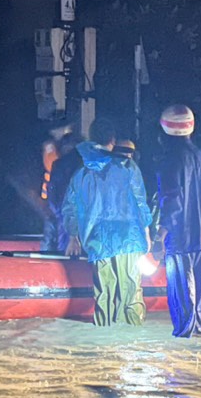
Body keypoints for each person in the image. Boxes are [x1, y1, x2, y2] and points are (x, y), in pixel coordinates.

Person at [63, 118, 153, 326]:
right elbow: (141, 203)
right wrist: (147, 233)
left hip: (98, 240)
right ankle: (132, 340)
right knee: (131, 293)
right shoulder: (128, 168)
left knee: (103, 295)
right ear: (113, 140)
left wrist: (73, 236)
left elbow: (70, 207)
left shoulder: (81, 174)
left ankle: (105, 346)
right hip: (128, 239)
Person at [151, 104, 201, 337]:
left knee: (181, 300)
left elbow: (172, 202)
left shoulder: (170, 161)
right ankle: (197, 334)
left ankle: (184, 345)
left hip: (181, 239)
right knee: (196, 298)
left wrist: (160, 235)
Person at [42, 129, 83, 252]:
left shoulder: (59, 165)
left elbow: (52, 194)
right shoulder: (86, 164)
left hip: (63, 217)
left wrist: (58, 213)